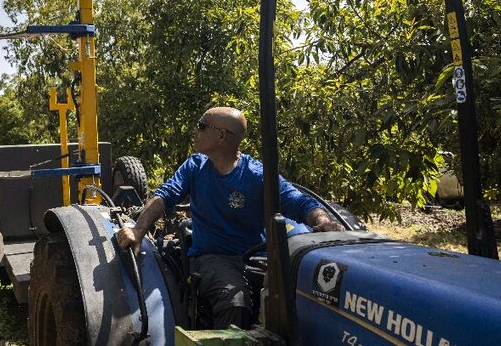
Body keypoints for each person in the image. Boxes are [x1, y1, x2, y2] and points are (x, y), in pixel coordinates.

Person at [116, 107, 343, 330]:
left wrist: (322, 221)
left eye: (202, 126)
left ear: (221, 135)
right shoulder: (195, 167)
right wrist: (138, 231)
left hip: (255, 258)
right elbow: (165, 196)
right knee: (235, 303)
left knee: (299, 299)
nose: (196, 132)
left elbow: (299, 201)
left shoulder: (257, 175)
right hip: (211, 257)